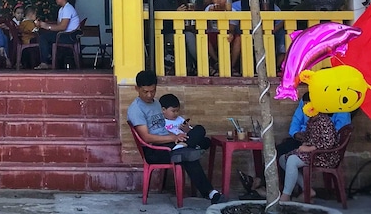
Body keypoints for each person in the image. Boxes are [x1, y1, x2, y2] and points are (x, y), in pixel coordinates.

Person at [127, 70, 223, 203]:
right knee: (189, 154)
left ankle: (183, 147)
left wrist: (178, 136)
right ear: (137, 89)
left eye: (153, 91)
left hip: (169, 143)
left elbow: (162, 129)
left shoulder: (156, 103)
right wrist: (173, 138)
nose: (149, 95)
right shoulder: (136, 109)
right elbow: (146, 138)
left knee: (199, 131)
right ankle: (211, 192)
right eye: (145, 92)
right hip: (155, 151)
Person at [239, 90, 350, 195]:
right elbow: (296, 121)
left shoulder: (339, 105)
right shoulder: (308, 98)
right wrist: (296, 134)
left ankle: (268, 186)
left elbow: (334, 134)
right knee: (279, 151)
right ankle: (270, 186)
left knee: (287, 156)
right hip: (304, 139)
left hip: (321, 148)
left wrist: (313, 140)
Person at [279, 111, 339, 203]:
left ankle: (286, 195)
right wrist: (305, 143)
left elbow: (328, 143)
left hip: (323, 156)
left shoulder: (324, 121)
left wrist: (310, 148)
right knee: (283, 159)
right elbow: (310, 137)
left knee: (292, 160)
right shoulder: (312, 120)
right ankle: (308, 190)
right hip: (313, 153)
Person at [35, 0, 81, 70]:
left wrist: (46, 26)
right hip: (63, 35)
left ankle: (45, 62)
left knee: (43, 38)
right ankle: (50, 60)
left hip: (69, 36)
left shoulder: (68, 9)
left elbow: (62, 27)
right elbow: (58, 26)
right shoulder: (61, 9)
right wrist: (45, 26)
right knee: (44, 36)